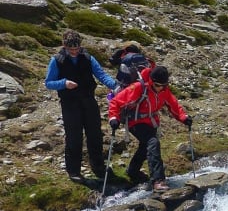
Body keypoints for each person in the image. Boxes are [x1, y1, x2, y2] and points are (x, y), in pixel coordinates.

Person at [44, 29, 119, 182]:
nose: (74, 52)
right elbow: (48, 83)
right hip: (69, 103)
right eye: (71, 49)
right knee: (74, 137)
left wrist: (115, 86)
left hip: (88, 100)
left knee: (95, 134)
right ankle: (74, 171)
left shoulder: (88, 57)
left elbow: (101, 75)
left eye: (76, 49)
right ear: (64, 46)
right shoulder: (57, 60)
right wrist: (63, 83)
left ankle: (98, 166)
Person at [108, 66, 192, 191]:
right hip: (134, 121)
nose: (161, 88)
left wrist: (183, 117)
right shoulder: (138, 87)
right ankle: (158, 180)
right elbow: (116, 101)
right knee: (153, 142)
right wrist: (113, 118)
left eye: (164, 85)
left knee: (145, 145)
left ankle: (132, 170)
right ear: (152, 81)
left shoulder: (164, 90)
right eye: (158, 85)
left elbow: (173, 105)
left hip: (150, 122)